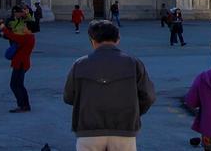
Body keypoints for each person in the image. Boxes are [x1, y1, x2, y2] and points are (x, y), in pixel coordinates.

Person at [63, 19, 155, 150]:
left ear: (92, 40)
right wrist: (133, 111)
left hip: (88, 131)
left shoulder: (79, 64)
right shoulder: (133, 63)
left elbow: (68, 97)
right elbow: (148, 96)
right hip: (124, 130)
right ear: (118, 39)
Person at [1, 5, 38, 112]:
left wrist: (2, 26)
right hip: (22, 63)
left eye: (25, 27)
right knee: (19, 84)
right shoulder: (29, 37)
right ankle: (25, 105)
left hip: (20, 63)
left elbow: (12, 36)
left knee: (15, 85)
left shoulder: (26, 38)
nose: (23, 27)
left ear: (28, 29)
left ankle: (22, 105)